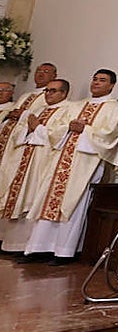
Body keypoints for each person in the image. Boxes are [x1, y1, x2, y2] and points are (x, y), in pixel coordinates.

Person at [22, 69, 118, 264]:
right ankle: (39, 248)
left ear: (111, 85)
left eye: (102, 80)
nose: (96, 83)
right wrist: (68, 127)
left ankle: (64, 251)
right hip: (61, 159)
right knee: (49, 198)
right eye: (94, 79)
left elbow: (110, 136)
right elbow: (55, 128)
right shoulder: (77, 106)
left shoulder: (114, 109)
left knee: (74, 203)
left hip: (86, 162)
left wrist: (85, 129)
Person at [0, 78, 72, 254]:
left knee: (32, 199)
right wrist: (29, 129)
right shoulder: (38, 110)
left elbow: (60, 136)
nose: (48, 94)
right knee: (19, 197)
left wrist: (37, 128)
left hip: (44, 161)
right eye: (47, 91)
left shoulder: (68, 110)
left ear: (64, 93)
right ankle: (10, 244)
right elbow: (19, 131)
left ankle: (26, 246)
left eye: (53, 91)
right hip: (26, 159)